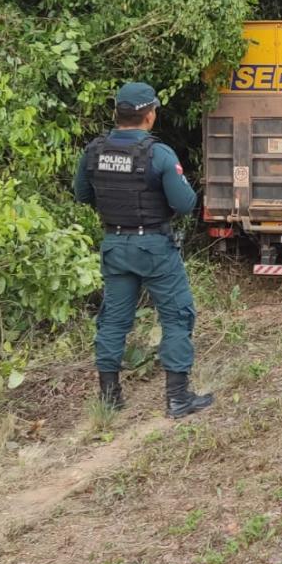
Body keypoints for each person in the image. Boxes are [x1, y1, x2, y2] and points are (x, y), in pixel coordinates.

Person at [73, 82, 213, 419]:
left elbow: (82, 195)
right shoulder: (158, 154)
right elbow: (185, 203)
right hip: (154, 247)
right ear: (149, 116)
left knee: (113, 320)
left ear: (116, 113)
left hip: (114, 245)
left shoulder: (93, 151)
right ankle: (178, 398)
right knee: (177, 315)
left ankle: (110, 398)